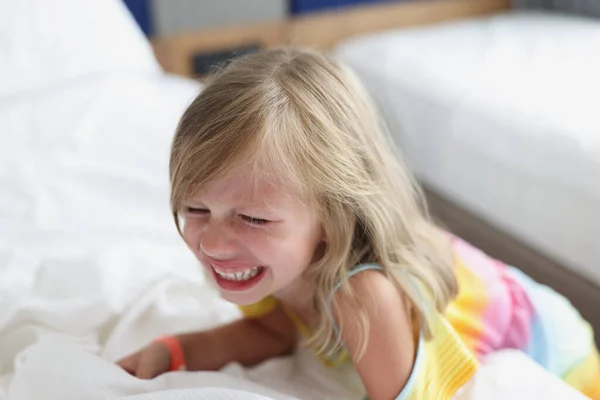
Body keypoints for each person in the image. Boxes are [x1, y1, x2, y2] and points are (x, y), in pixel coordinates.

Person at [117, 47, 600, 399]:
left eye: (252, 218)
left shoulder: (363, 296)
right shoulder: (271, 261)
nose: (215, 243)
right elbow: (275, 331)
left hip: (566, 361)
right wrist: (175, 350)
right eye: (195, 209)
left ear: (331, 216)